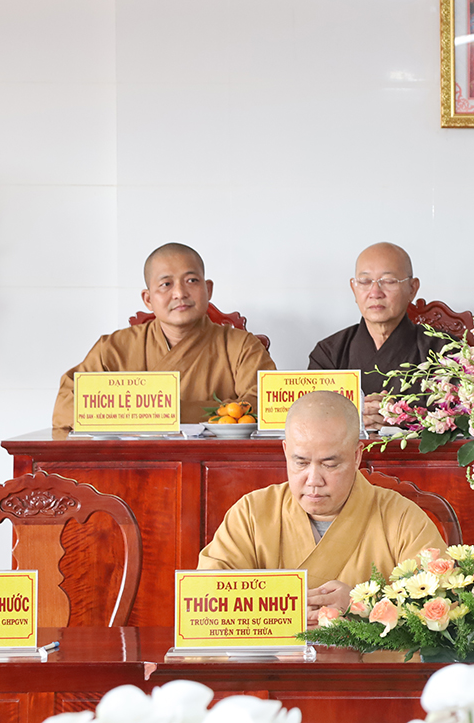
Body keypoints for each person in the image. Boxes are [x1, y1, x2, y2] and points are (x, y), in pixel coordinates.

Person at [198, 391, 446, 622]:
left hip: (366, 657)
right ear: (286, 451)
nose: (314, 480)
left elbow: (442, 608)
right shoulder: (251, 513)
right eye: (301, 462)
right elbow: (207, 600)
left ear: (357, 456)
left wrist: (362, 607)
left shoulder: (403, 519)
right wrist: (280, 612)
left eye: (329, 464)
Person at [52, 243, 275, 430]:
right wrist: (208, 411)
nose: (180, 293)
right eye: (166, 284)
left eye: (191, 281)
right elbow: (67, 405)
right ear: (148, 299)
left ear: (208, 289)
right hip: (130, 461)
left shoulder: (242, 346)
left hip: (214, 462)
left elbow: (265, 406)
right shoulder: (114, 347)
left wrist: (152, 412)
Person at [307, 243, 447, 431]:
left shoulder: (444, 351)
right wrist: (354, 418)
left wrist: (403, 419)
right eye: (365, 282)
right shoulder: (329, 353)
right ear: (353, 288)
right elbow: (312, 420)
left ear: (412, 289)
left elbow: (459, 421)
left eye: (389, 281)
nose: (375, 293)